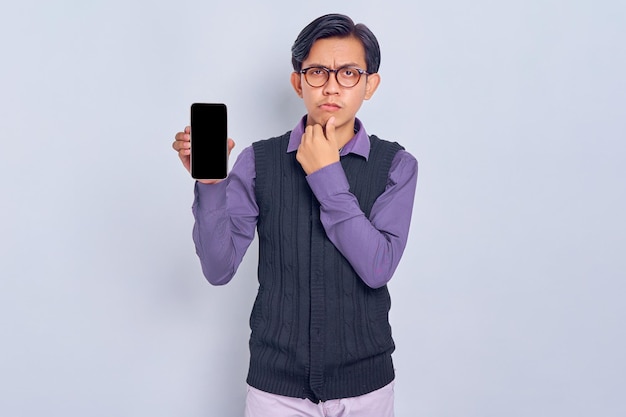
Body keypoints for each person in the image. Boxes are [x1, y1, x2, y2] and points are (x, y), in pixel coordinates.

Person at [172, 13, 418, 417]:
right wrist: (212, 185)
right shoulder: (258, 161)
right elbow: (218, 269)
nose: (332, 86)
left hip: (367, 386)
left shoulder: (397, 165)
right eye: (318, 72)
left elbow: (378, 267)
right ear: (298, 82)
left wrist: (325, 175)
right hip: (275, 390)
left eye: (349, 73)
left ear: (370, 84)